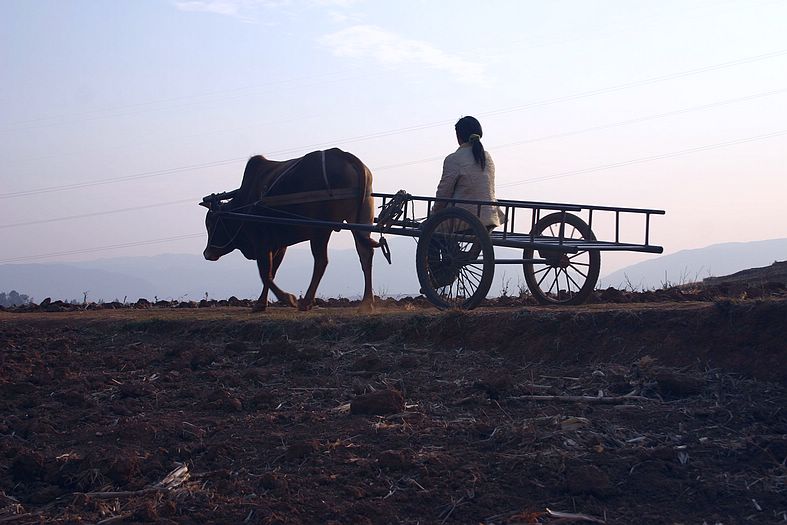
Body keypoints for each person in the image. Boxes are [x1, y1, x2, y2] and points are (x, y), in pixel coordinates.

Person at [432, 116, 504, 228]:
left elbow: (443, 193)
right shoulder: (486, 156)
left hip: (464, 219)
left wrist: (433, 215)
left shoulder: (454, 159)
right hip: (490, 217)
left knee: (426, 233)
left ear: (458, 136)